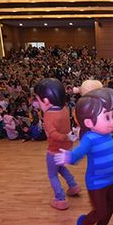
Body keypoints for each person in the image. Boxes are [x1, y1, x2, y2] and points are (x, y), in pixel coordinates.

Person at [55, 88, 113, 225]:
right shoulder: (90, 138)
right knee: (100, 210)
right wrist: (69, 157)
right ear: (89, 123)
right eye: (107, 117)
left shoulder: (106, 134)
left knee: (111, 205)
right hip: (96, 182)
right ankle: (84, 224)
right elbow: (79, 152)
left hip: (110, 180)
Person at [35, 78, 81, 210]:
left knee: (52, 174)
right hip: (66, 147)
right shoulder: (64, 109)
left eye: (38, 100)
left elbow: (53, 134)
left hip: (54, 149)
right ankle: (73, 186)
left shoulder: (49, 115)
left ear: (45, 101)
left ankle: (60, 199)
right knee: (60, 167)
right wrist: (67, 138)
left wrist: (64, 137)